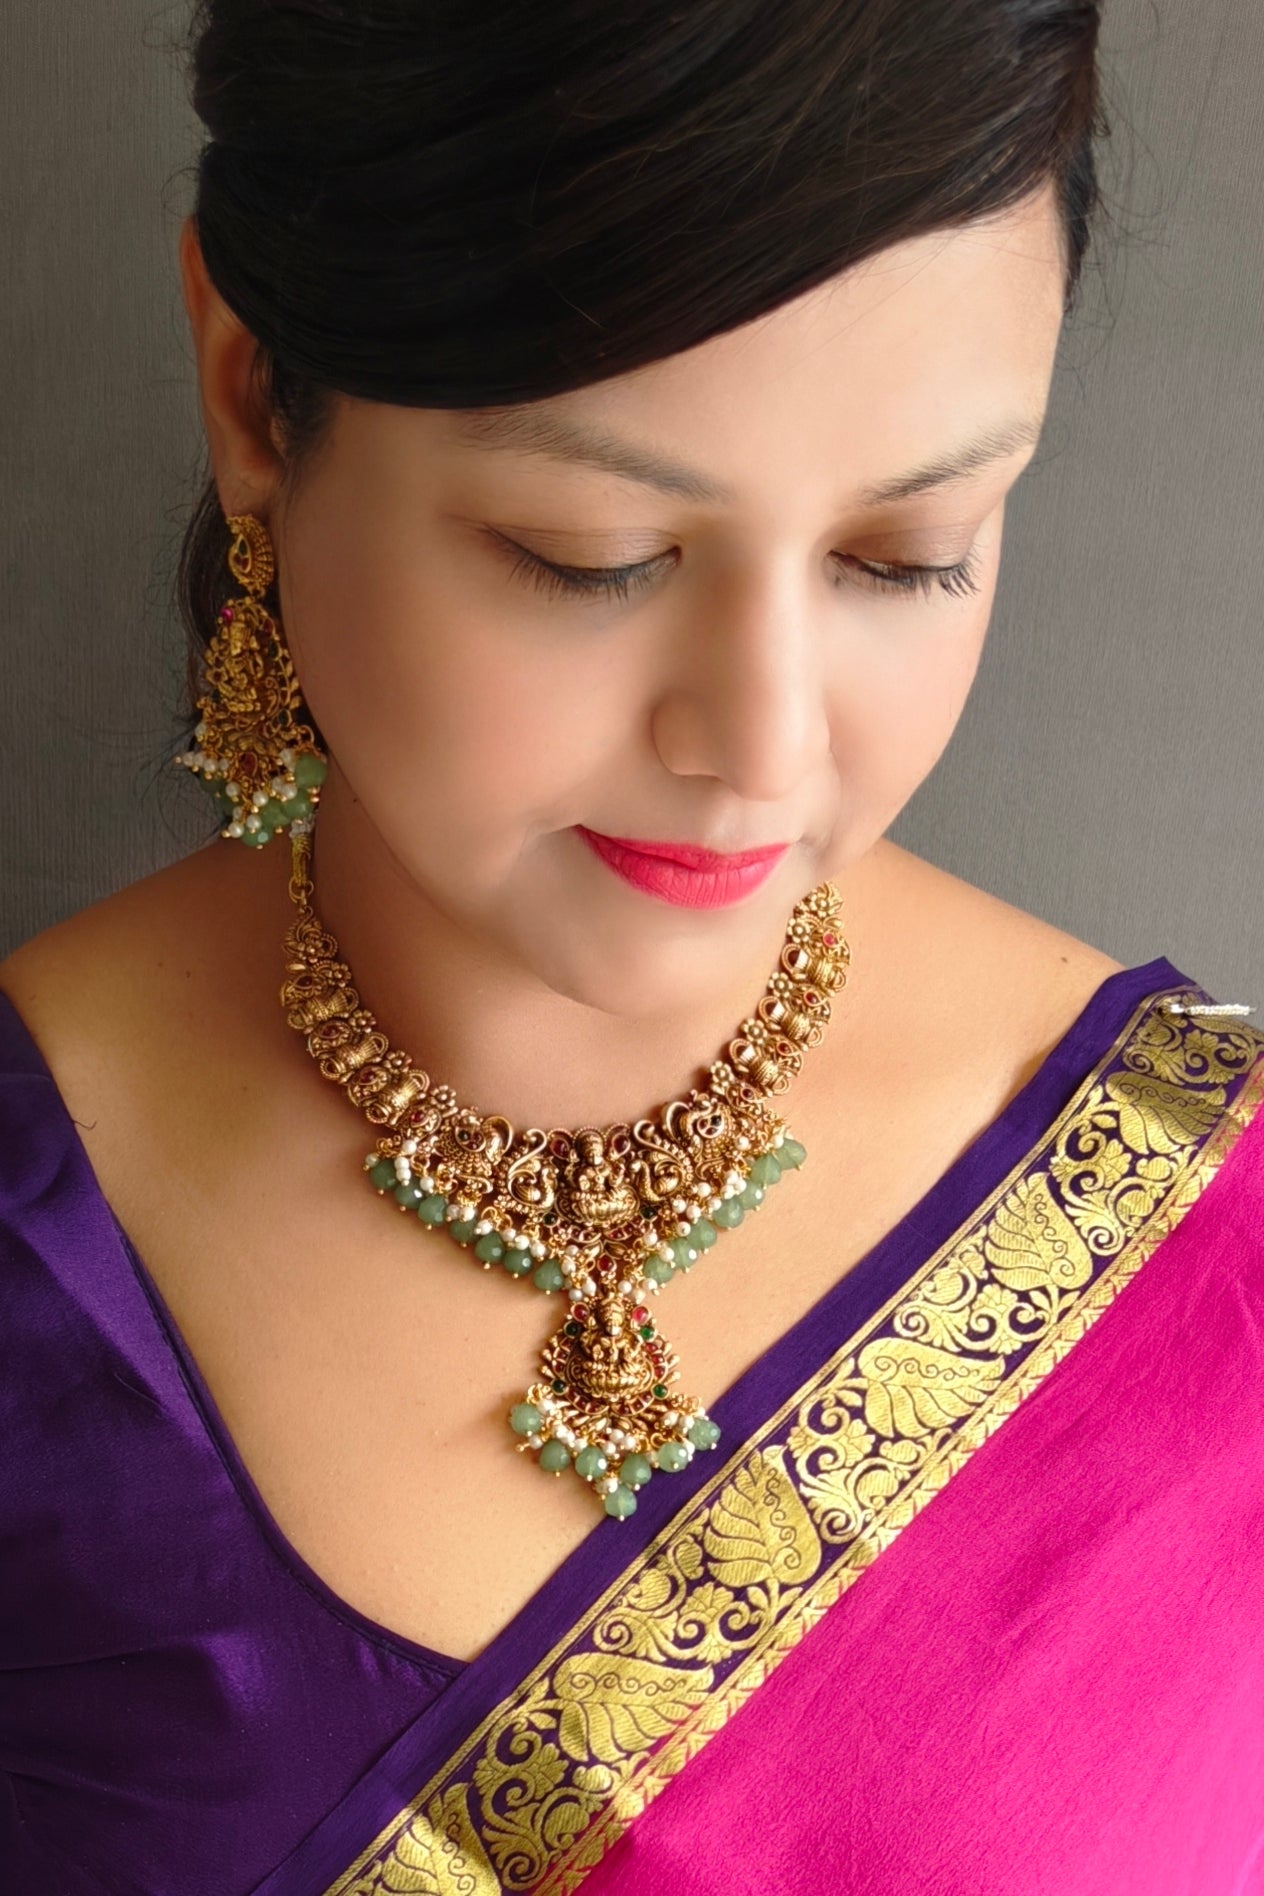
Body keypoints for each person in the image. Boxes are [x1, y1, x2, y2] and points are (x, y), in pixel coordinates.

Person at [1, 1, 1261, 1890]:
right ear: (256, 397)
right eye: (594, 552)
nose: (763, 742)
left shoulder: (1208, 1235)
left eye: (908, 552)